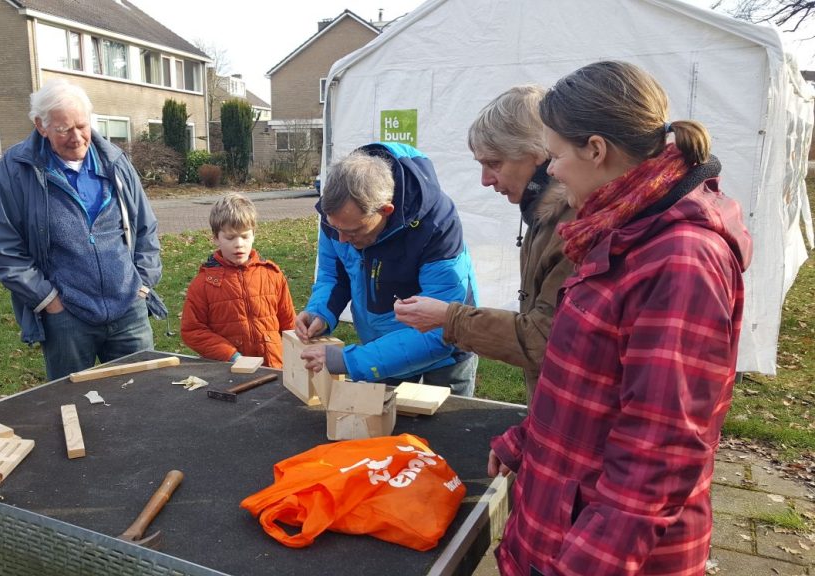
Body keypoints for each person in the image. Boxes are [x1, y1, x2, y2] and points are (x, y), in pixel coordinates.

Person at [489, 61, 752, 576]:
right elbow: (587, 373)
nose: (553, 171)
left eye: (557, 155)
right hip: (564, 518)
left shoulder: (678, 260)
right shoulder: (621, 229)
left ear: (595, 149)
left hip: (609, 552)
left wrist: (589, 565)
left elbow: (662, 451)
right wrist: (527, 441)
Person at [394, 85, 575, 403]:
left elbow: (544, 339)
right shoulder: (543, 214)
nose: (485, 180)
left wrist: (448, 318)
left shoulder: (569, 225)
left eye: (494, 163)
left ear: (535, 153)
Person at [0, 79, 163, 381]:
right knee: (71, 408)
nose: (77, 138)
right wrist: (49, 300)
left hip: (128, 309)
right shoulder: (17, 169)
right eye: (64, 129)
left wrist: (141, 284)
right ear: (41, 125)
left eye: (82, 125)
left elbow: (146, 228)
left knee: (140, 397)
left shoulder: (115, 162)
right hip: (67, 318)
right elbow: (2, 249)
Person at [295, 143, 478, 396]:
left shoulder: (438, 226)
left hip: (445, 359)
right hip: (380, 347)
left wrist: (350, 361)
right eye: (334, 228)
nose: (341, 239)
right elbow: (334, 273)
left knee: (447, 430)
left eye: (353, 231)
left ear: (385, 211)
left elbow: (440, 331)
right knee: (384, 429)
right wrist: (321, 311)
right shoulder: (338, 218)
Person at [181, 193, 296, 368]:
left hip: (274, 368)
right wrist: (231, 355)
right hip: (229, 370)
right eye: (230, 237)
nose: (239, 244)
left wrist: (296, 358)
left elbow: (289, 324)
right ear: (215, 237)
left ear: (254, 235)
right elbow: (193, 330)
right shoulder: (203, 283)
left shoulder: (272, 275)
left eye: (245, 236)